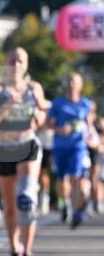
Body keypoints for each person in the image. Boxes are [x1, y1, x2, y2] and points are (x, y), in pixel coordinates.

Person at [0, 47, 47, 256]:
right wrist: (8, 105)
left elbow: (43, 111)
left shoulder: (33, 88)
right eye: (12, 60)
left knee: (26, 198)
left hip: (27, 143)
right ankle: (13, 249)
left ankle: (27, 254)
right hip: (5, 148)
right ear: (5, 63)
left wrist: (40, 116)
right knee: (9, 207)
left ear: (26, 64)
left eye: (20, 60)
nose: (16, 65)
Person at [47, 72, 94, 229]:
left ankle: (76, 211)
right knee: (61, 179)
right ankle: (64, 203)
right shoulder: (58, 103)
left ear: (80, 85)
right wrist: (59, 129)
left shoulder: (85, 103)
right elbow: (48, 123)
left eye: (74, 81)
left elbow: (88, 124)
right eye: (69, 81)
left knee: (75, 177)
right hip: (60, 146)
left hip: (78, 146)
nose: (71, 84)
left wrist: (88, 131)